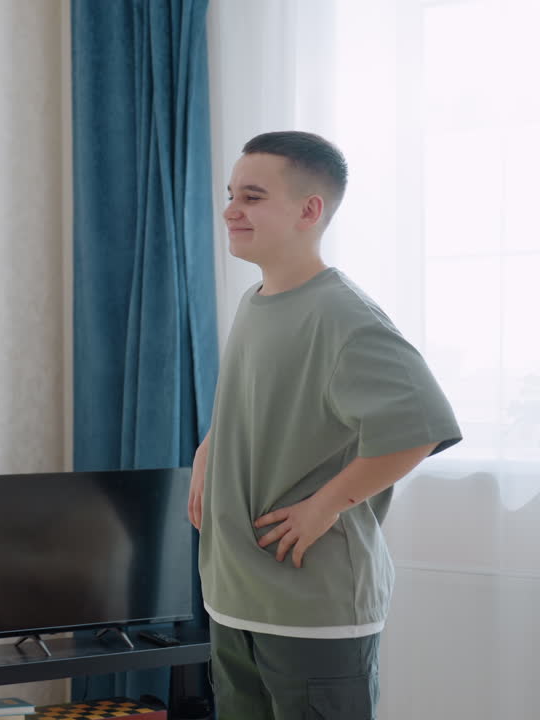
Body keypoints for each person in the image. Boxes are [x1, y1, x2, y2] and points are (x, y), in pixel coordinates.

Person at [190, 131, 461, 720]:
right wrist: (210, 448)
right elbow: (258, 399)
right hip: (236, 598)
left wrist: (325, 506)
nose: (231, 211)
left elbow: (419, 427)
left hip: (312, 607)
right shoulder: (255, 300)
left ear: (309, 210)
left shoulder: (344, 315)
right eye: (231, 195)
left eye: (252, 197)